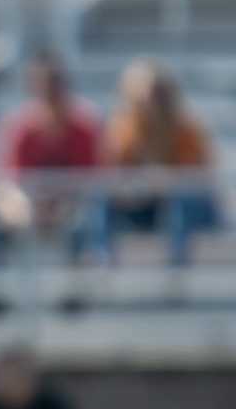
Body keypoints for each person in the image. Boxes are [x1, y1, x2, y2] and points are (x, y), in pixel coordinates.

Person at [93, 57, 220, 265]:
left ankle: (177, 266)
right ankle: (102, 259)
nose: (153, 103)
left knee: (180, 202)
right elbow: (115, 174)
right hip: (145, 205)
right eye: (149, 96)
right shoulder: (124, 129)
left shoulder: (187, 130)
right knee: (100, 199)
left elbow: (194, 180)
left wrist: (163, 180)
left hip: (186, 208)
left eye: (159, 95)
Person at [0, 52, 99, 274]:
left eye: (55, 86)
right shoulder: (21, 128)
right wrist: (26, 208)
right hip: (30, 208)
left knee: (84, 224)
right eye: (45, 87)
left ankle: (74, 295)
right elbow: (9, 183)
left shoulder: (83, 128)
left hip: (71, 208)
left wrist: (63, 206)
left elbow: (91, 181)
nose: (51, 94)